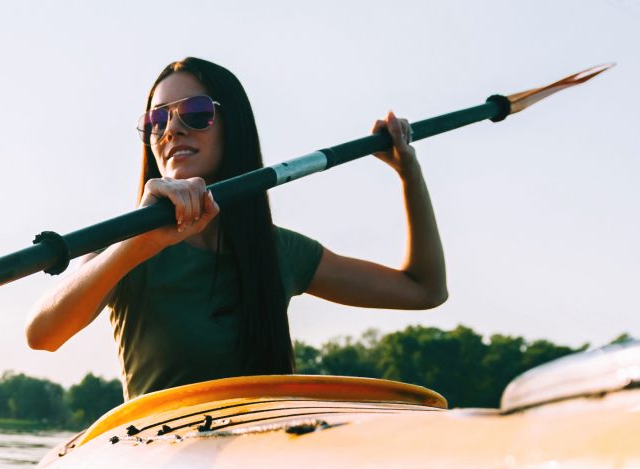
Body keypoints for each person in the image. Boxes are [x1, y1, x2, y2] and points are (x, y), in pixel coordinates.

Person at [27, 57, 448, 399]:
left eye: (195, 113)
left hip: (257, 452)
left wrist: (409, 174)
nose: (171, 128)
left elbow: (424, 290)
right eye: (157, 119)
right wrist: (138, 243)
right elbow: (43, 334)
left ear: (234, 128)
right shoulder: (121, 245)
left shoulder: (279, 251)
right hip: (156, 454)